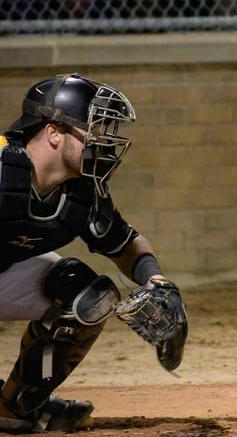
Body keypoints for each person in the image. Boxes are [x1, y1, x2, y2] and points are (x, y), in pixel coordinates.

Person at [0, 73, 187, 432]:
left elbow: (125, 245)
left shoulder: (81, 194)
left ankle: (15, 403)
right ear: (53, 133)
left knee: (90, 295)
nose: (102, 142)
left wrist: (158, 281)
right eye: (92, 130)